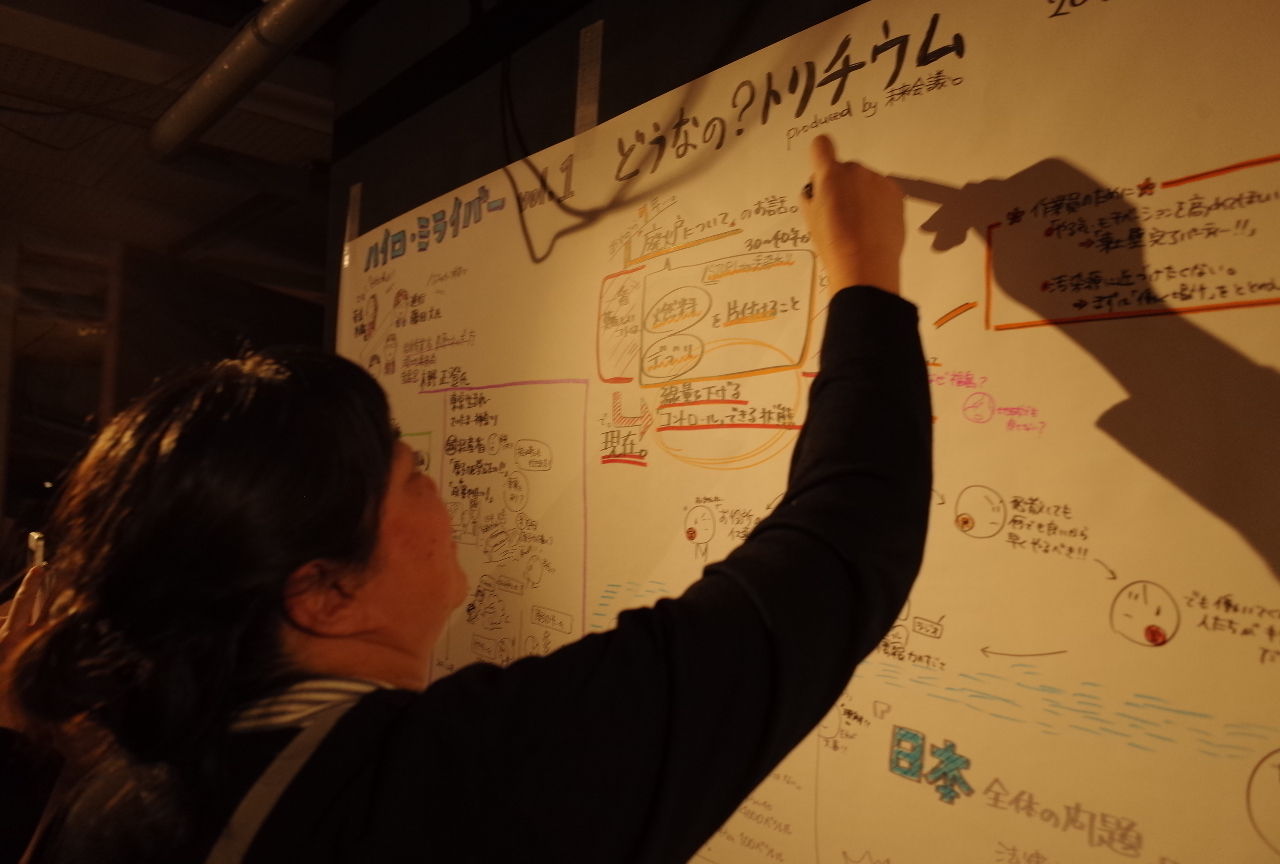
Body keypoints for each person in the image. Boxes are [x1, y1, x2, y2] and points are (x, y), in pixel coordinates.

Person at [0, 134, 931, 863]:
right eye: (412, 476)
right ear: (323, 592)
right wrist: (865, 274)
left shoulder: (128, 780)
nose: (441, 497)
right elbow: (836, 555)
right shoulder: (433, 794)